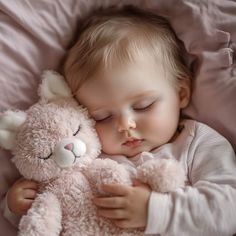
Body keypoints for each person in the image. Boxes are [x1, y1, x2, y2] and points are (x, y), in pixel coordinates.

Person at [3, 6, 236, 235]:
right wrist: (17, 207)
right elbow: (57, 211)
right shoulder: (89, 159)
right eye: (102, 117)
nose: (125, 125)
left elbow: (229, 210)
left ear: (181, 93)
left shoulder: (197, 145)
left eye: (143, 106)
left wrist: (154, 210)